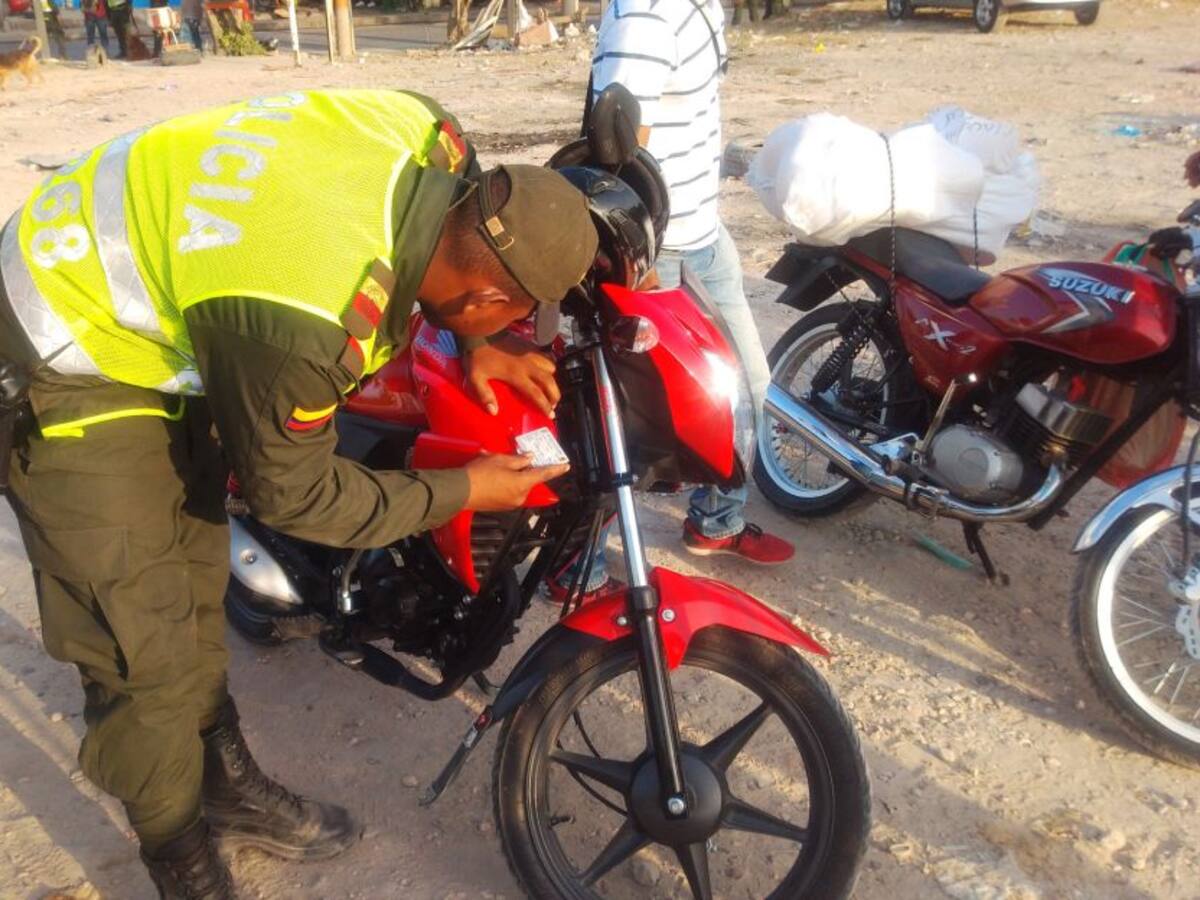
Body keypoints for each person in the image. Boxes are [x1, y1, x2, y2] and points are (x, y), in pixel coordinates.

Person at [0, 88, 594, 900]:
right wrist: (463, 489)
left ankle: (226, 784)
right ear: (489, 291)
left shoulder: (436, 135)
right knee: (140, 645)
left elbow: (457, 258)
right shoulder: (314, 314)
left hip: (183, 282)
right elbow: (297, 495)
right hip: (68, 341)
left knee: (192, 586)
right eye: (522, 313)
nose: (528, 324)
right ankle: (183, 866)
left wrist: (478, 340)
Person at [548, 0, 793, 602]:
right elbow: (616, 139)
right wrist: (641, 262)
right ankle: (575, 562)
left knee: (743, 389)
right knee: (636, 417)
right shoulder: (647, 12)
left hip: (705, 235)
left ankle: (717, 519)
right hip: (664, 252)